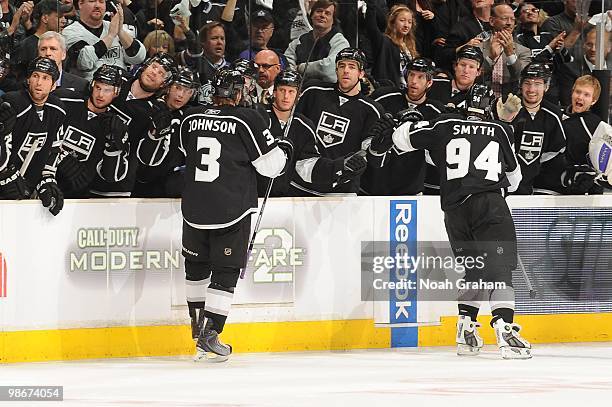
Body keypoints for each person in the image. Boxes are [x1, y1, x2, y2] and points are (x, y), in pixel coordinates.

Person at [375, 83, 531, 359]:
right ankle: (505, 328)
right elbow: (516, 180)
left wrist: (414, 121)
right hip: (489, 206)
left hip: (455, 211)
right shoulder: (500, 130)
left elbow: (401, 139)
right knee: (499, 271)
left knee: (473, 272)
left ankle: (466, 330)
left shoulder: (444, 125)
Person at [179, 67, 291, 361]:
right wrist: (284, 150)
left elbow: (184, 151)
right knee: (225, 271)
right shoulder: (248, 119)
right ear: (239, 93)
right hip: (231, 209)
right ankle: (211, 332)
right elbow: (270, 167)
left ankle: (197, 324)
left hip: (193, 207)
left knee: (196, 267)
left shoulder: (191, 117)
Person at [258, 69, 366, 197]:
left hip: (285, 198)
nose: (286, 96)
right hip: (253, 196)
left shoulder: (303, 125)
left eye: (291, 91)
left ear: (298, 95)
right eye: (282, 90)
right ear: (274, 92)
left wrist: (339, 167)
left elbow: (306, 166)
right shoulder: (258, 117)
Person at [294, 47, 383, 195]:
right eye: (341, 66)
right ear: (336, 70)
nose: (346, 70)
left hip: (341, 191)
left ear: (361, 73)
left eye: (352, 66)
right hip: (301, 184)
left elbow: (368, 155)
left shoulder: (372, 110)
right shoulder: (313, 92)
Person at [90, 52, 176, 197]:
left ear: (164, 83)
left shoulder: (158, 113)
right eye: (154, 67)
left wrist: (156, 136)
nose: (154, 73)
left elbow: (150, 159)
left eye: (161, 73)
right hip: (80, 170)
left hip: (115, 185)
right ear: (145, 66)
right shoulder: (116, 78)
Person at [366, 57, 445, 195]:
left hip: (411, 187)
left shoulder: (437, 112)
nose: (414, 81)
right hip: (376, 184)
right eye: (411, 75)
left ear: (429, 82)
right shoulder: (384, 97)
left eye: (420, 77)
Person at [0, 57, 66, 215]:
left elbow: (54, 149)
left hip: (28, 190)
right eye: (35, 76)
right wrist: (5, 175)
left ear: (53, 85)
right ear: (28, 79)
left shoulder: (58, 110)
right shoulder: (11, 103)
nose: (39, 83)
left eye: (45, 78)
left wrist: (47, 178)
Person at [54, 64, 128, 197]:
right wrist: (61, 157)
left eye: (107, 90)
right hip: (45, 180)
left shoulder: (115, 125)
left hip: (78, 196)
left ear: (116, 92)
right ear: (92, 85)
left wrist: (113, 145)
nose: (100, 95)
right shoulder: (65, 100)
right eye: (98, 87)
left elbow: (112, 176)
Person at [135, 66, 199, 198]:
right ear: (168, 87)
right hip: (140, 182)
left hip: (169, 185)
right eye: (178, 88)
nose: (181, 95)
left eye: (187, 91)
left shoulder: (189, 117)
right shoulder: (149, 108)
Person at [511, 63, 567, 195]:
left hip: (539, 186)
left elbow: (557, 149)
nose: (531, 89)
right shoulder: (508, 108)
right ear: (520, 84)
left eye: (537, 84)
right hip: (507, 184)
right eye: (527, 83)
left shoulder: (553, 115)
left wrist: (535, 168)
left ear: (546, 86)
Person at [63, 0, 146, 80]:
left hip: (120, 86)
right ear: (80, 4)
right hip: (89, 88)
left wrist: (120, 32)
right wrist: (110, 36)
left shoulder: (114, 26)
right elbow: (84, 62)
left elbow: (139, 57)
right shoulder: (70, 31)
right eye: (92, 1)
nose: (97, 5)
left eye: (101, 2)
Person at [285, 0, 350, 83]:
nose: (322, 15)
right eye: (319, 11)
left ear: (333, 20)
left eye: (327, 13)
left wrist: (300, 68)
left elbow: (328, 69)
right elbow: (287, 65)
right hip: (300, 90)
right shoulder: (299, 41)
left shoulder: (340, 42)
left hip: (328, 91)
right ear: (311, 15)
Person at [364, 2, 419, 88]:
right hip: (389, 92)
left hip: (408, 93)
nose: (406, 25)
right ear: (393, 22)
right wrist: (371, 6)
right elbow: (372, 27)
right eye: (402, 20)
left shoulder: (411, 45)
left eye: (409, 22)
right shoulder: (384, 41)